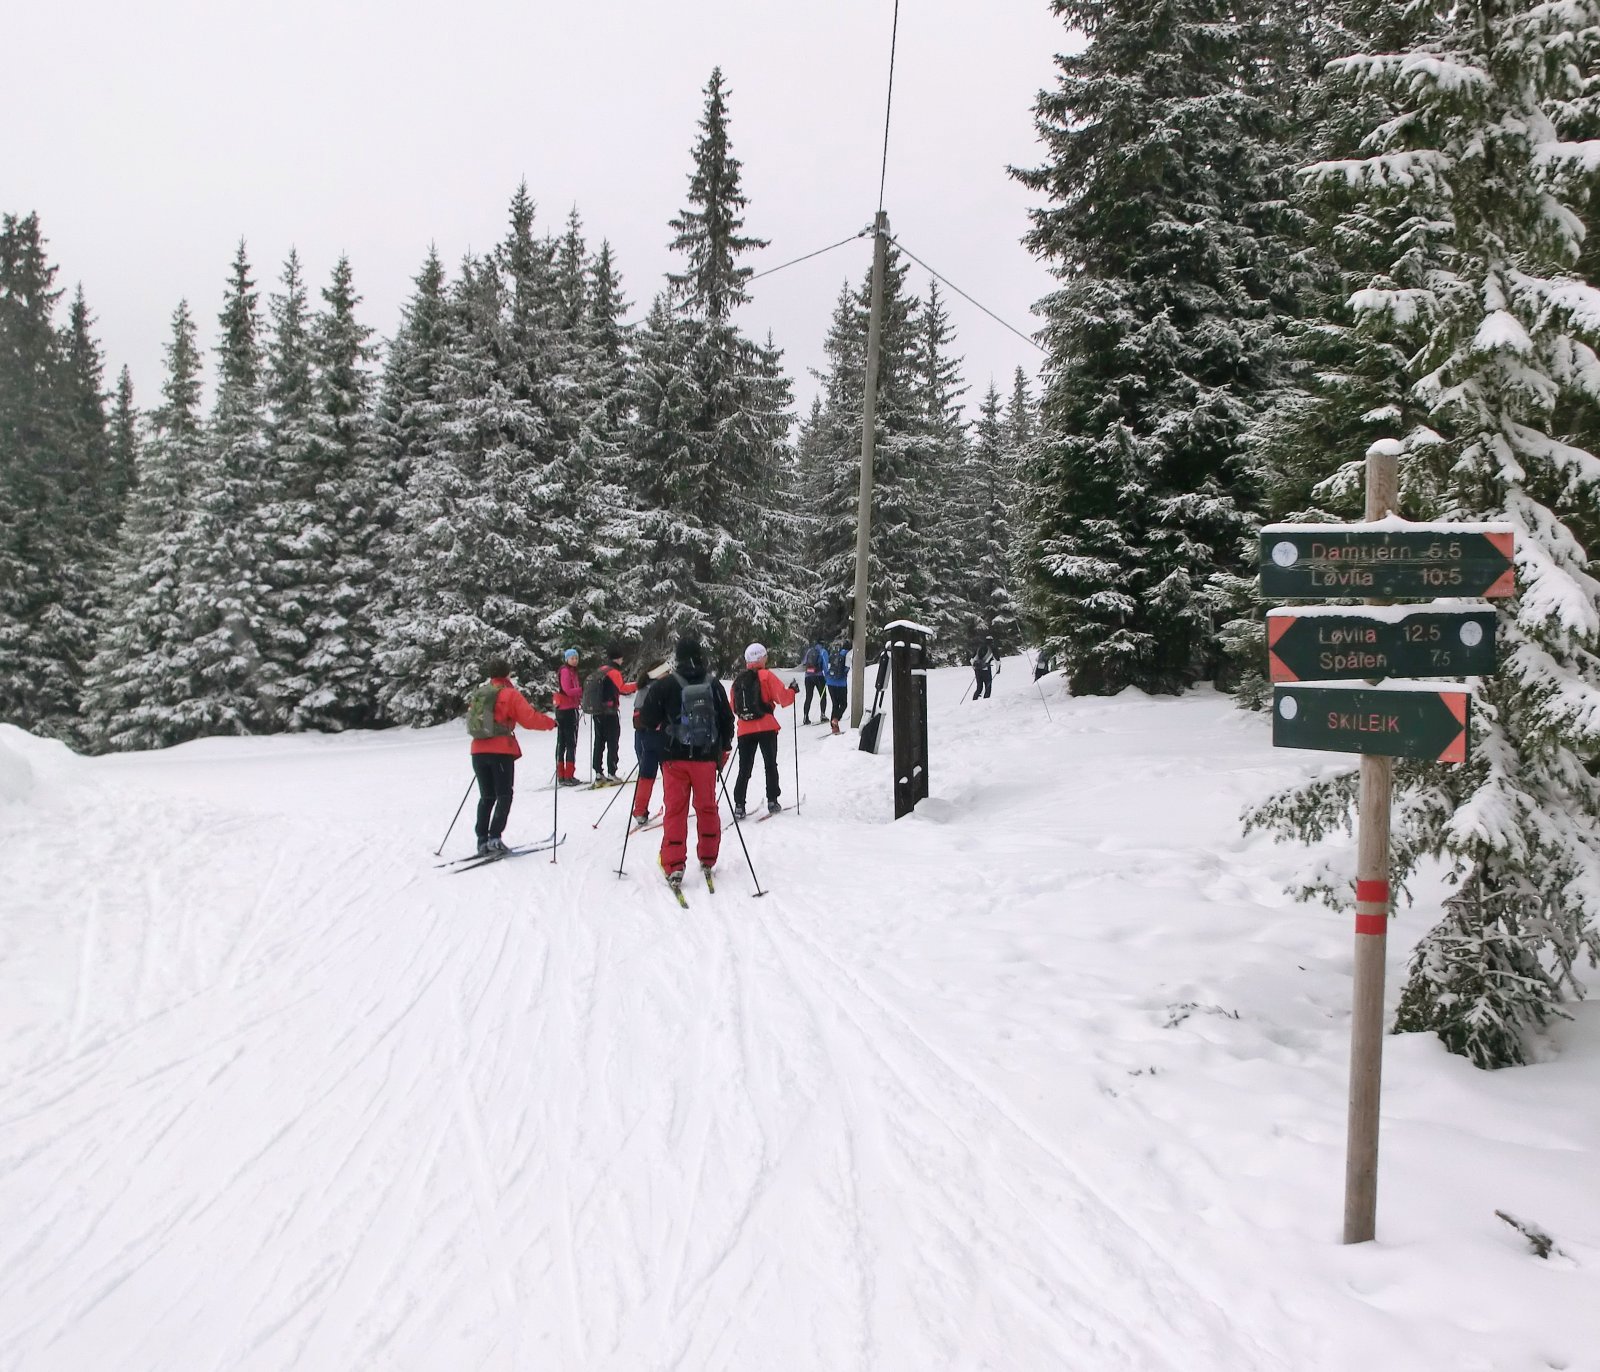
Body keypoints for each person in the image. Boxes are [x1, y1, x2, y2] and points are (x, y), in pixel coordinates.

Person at [639, 635, 735, 890]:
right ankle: (708, 857)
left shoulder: (666, 684)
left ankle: (674, 865)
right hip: (705, 758)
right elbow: (727, 719)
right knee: (706, 808)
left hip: (674, 760)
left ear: (677, 657)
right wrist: (722, 750)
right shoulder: (714, 684)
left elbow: (647, 719)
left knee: (676, 811)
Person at [464, 656, 556, 856]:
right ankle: (495, 838)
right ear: (507, 674)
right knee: (504, 795)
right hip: (500, 751)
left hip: (478, 750)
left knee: (486, 796)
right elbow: (529, 719)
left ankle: (482, 839)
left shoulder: (480, 694)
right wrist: (551, 723)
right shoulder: (509, 694)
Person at [731, 643, 798, 818]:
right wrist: (792, 691)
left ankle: (739, 804)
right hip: (766, 727)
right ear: (761, 658)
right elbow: (783, 699)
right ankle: (772, 800)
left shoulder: (738, 680)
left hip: (745, 729)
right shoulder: (766, 676)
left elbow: (733, 706)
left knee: (744, 768)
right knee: (770, 764)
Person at [583, 642, 636, 783]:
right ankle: (612, 772)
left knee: (599, 742)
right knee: (613, 741)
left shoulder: (601, 669)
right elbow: (623, 688)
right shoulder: (614, 672)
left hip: (597, 711)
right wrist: (638, 684)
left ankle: (598, 773)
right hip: (609, 712)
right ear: (618, 658)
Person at [630, 660, 672, 828]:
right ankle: (672, 807)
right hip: (660, 737)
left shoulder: (642, 688)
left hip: (644, 738)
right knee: (669, 774)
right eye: (666, 672)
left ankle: (640, 810)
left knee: (646, 775)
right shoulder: (661, 688)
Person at [553, 647, 584, 786]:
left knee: (564, 742)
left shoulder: (572, 671)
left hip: (568, 708)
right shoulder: (566, 671)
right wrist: (581, 690)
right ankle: (567, 775)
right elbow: (567, 690)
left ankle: (564, 774)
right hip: (566, 709)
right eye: (572, 658)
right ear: (566, 659)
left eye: (576, 658)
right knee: (568, 742)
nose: (575, 660)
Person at [824, 640, 851, 734]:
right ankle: (836, 719)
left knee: (835, 704)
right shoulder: (848, 655)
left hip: (830, 683)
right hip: (841, 684)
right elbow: (847, 668)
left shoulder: (836, 654)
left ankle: (834, 728)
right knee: (843, 704)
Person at [800, 639, 829, 724]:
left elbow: (804, 662)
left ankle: (805, 717)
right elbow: (825, 666)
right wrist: (827, 676)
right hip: (818, 676)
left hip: (808, 676)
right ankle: (822, 715)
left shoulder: (809, 651)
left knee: (808, 696)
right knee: (823, 695)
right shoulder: (823, 652)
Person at [972, 634, 1000, 699]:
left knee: (979, 687)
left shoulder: (979, 647)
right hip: (986, 669)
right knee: (988, 686)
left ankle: (974, 701)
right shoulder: (993, 648)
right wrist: (998, 669)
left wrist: (975, 668)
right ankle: (985, 701)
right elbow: (997, 660)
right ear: (992, 641)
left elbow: (972, 659)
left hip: (977, 669)